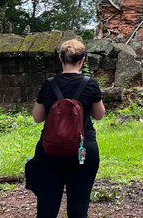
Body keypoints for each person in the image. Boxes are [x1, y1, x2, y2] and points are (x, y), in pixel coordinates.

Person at [29, 39, 105, 218]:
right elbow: (99, 115)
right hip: (83, 149)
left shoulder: (49, 84)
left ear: (61, 59)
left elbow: (37, 118)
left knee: (46, 211)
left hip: (50, 150)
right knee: (78, 211)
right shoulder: (90, 84)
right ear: (83, 60)